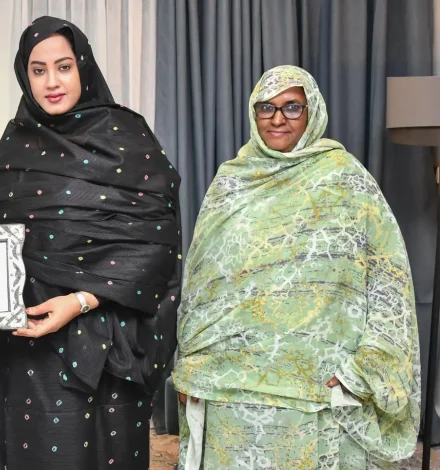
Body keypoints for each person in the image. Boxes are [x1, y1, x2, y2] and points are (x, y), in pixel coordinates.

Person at [172, 65, 420, 469]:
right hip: (229, 384)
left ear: (313, 112)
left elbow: (387, 280)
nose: (276, 118)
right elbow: (201, 285)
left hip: (316, 389)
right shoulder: (230, 182)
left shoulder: (346, 178)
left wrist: (362, 371)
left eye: (292, 107)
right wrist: (191, 365)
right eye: (266, 107)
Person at [0, 16, 182, 470]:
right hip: (13, 340)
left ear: (82, 65)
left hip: (94, 339)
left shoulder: (126, 136)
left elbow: (156, 244)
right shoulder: (15, 140)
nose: (52, 82)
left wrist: (81, 300)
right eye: (38, 70)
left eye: (63, 67)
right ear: (25, 75)